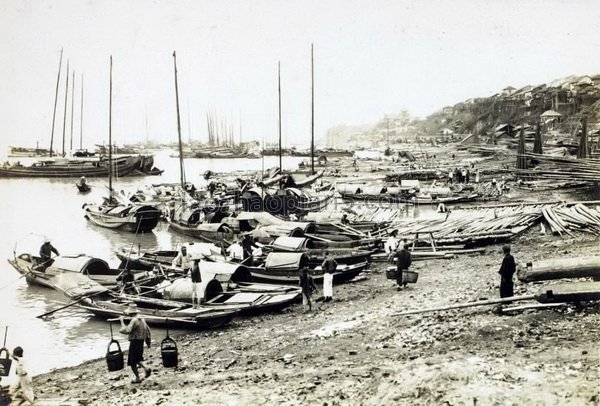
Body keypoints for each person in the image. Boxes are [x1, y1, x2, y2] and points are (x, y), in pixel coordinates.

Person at [119, 304, 152, 384]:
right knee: (138, 359)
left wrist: (121, 321)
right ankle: (145, 369)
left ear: (131, 312)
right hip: (141, 342)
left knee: (132, 361)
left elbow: (127, 330)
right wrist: (148, 342)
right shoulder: (142, 319)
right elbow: (148, 330)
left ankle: (138, 376)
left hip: (135, 342)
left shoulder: (134, 320)